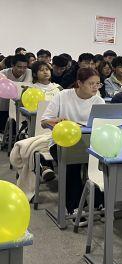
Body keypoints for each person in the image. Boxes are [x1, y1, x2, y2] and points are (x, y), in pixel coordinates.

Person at [41, 68, 105, 214]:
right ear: (79, 83)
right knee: (72, 167)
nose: (95, 87)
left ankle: (99, 202)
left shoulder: (98, 100)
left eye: (98, 84)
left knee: (99, 166)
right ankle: (74, 207)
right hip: (62, 143)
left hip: (88, 143)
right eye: (91, 83)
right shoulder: (63, 96)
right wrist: (56, 120)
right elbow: (44, 122)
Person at [0, 54, 32, 130]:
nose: (22, 70)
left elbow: (26, 85)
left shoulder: (29, 72)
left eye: (25, 67)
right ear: (12, 65)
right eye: (19, 67)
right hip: (3, 105)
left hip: (19, 105)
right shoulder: (3, 73)